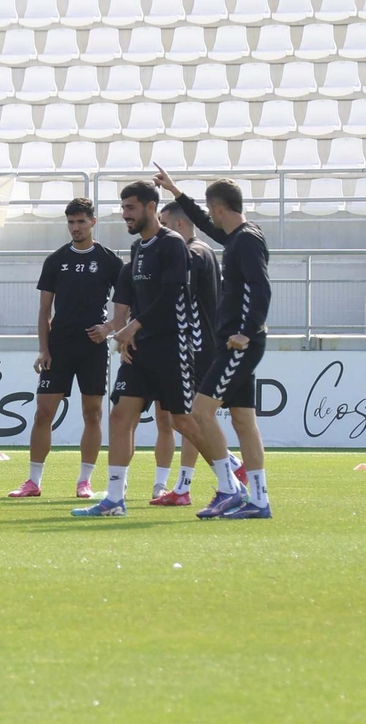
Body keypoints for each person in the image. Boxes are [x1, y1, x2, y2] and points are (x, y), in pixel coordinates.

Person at [72, 180, 242, 518]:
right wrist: (121, 333)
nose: (125, 214)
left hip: (172, 346)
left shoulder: (172, 244)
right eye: (123, 208)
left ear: (151, 207)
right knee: (120, 415)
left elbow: (172, 296)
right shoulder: (138, 249)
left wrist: (132, 327)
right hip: (140, 349)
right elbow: (127, 300)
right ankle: (114, 499)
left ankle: (230, 484)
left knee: (183, 421)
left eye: (131, 208)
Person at [155, 165, 274, 519]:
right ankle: (259, 500)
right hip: (238, 342)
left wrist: (247, 332)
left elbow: (261, 287)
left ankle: (230, 489)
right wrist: (176, 192)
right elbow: (205, 225)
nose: (210, 216)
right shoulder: (239, 236)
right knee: (243, 422)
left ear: (219, 207)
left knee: (200, 412)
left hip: (240, 344)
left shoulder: (246, 240)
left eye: (211, 210)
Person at [7, 198, 122, 501]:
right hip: (59, 346)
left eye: (81, 221)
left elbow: (128, 304)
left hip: (93, 346)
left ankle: (85, 481)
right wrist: (43, 349)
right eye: (71, 222)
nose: (75, 227)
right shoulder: (56, 260)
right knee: (43, 412)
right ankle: (33, 481)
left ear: (93, 222)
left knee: (93, 413)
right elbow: (45, 311)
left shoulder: (109, 260)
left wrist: (109, 328)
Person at [150, 198, 232, 506]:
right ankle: (183, 487)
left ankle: (230, 466)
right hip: (204, 346)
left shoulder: (191, 255)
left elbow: (177, 300)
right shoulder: (205, 251)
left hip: (196, 348)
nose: (161, 232)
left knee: (187, 419)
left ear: (179, 224)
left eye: (164, 225)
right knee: (185, 419)